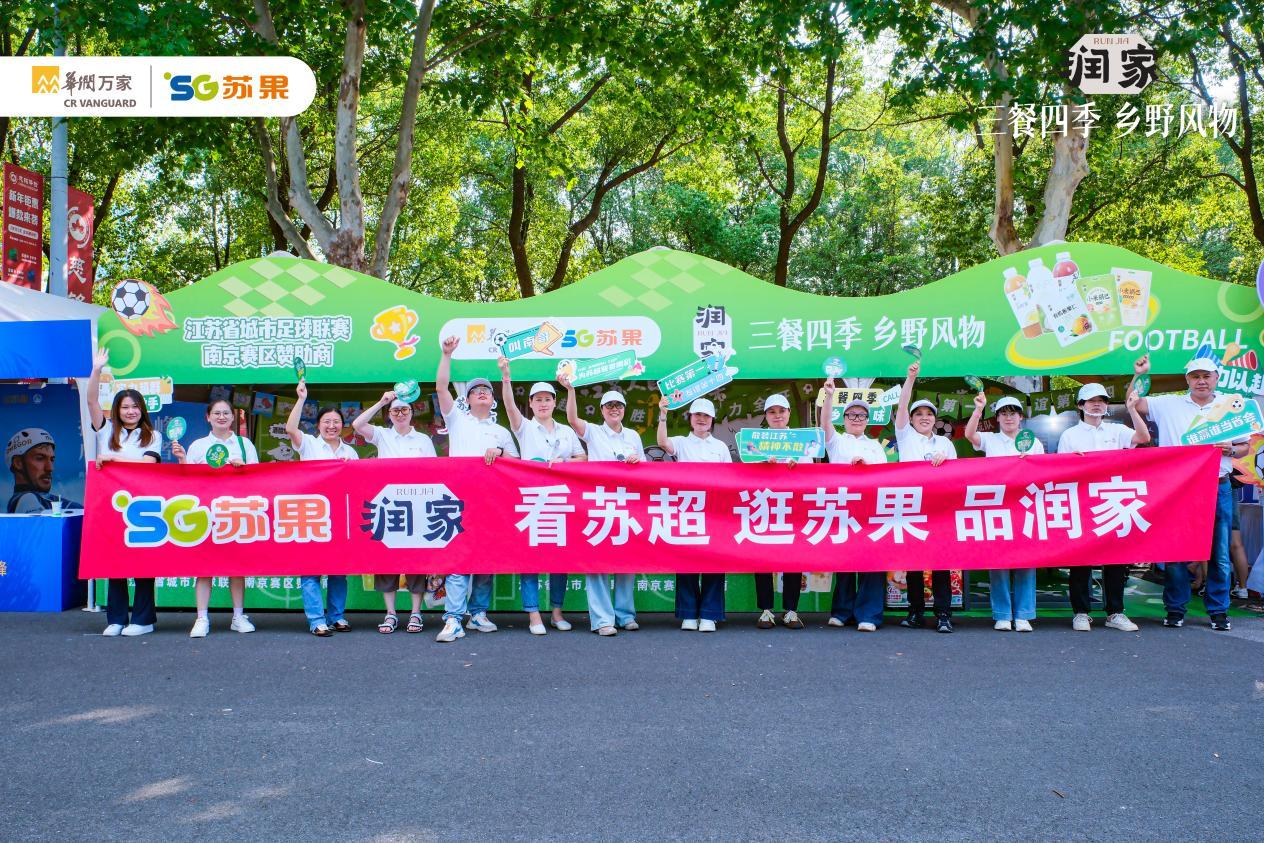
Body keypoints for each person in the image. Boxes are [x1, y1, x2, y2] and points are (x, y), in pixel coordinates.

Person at [1132, 354, 1243, 631]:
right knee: (1176, 550)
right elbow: (1134, 401)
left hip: (1217, 485)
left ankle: (1218, 611)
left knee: (1219, 552)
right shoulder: (1169, 403)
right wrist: (1139, 374)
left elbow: (1244, 447)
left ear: (1216, 378)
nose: (1201, 381)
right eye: (1195, 376)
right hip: (1178, 489)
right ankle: (1175, 609)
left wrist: (1231, 449)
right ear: (1187, 380)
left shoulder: (1231, 405)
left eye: (1206, 376)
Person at [434, 337, 519, 643]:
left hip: (492, 502)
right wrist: (446, 355)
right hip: (459, 500)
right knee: (460, 558)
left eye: (487, 391)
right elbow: (441, 388)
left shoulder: (501, 431)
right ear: (467, 400)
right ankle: (453, 618)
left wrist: (500, 451)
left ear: (493, 401)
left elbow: (517, 463)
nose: (482, 393)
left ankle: (478, 613)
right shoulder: (457, 420)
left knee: (486, 558)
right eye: (475, 391)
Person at [499, 356, 585, 634]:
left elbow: (582, 458)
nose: (543, 403)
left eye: (548, 399)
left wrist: (564, 463)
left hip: (562, 501)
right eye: (538, 400)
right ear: (532, 404)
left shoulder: (566, 431)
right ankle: (534, 614)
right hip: (531, 500)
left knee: (560, 560)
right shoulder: (524, 427)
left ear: (554, 403)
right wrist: (506, 377)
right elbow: (509, 406)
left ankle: (557, 612)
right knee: (531, 559)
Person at [1056, 382, 1150, 633]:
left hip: (1113, 500)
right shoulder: (1070, 435)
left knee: (1116, 559)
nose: (1097, 405)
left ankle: (1115, 612)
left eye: (1102, 400)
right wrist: (1073, 464)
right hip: (1082, 502)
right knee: (1080, 559)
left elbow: (1143, 438)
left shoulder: (1117, 430)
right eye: (1091, 400)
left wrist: (1132, 410)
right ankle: (1081, 612)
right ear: (1081, 405)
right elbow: (1060, 471)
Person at [85, 348, 163, 637]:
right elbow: (91, 400)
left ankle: (143, 620)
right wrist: (96, 370)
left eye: (135, 407)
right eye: (125, 407)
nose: (131, 411)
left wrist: (113, 459)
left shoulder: (152, 435)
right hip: (110, 504)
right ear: (117, 410)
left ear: (142, 410)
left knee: (143, 563)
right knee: (113, 560)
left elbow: (149, 464)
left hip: (142, 506)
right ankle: (116, 618)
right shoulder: (105, 431)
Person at [561, 373, 644, 636]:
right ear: (602, 410)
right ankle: (602, 620)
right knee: (597, 562)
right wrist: (570, 390)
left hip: (628, 504)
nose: (614, 409)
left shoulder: (633, 436)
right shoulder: (594, 432)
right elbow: (572, 419)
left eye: (618, 405)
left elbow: (646, 471)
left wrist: (637, 462)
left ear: (624, 410)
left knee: (626, 562)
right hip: (598, 503)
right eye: (609, 406)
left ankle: (625, 615)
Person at [171, 398, 260, 637]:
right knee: (204, 567)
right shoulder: (198, 446)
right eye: (217, 413)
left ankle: (238, 616)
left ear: (233, 417)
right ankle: (202, 618)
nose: (222, 417)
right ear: (208, 417)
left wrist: (243, 468)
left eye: (226, 413)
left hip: (235, 511)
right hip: (205, 513)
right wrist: (182, 459)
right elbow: (187, 481)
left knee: (237, 567)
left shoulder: (244, 444)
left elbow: (258, 478)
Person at [352, 390, 438, 635]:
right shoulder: (382, 435)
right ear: (389, 414)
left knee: (415, 560)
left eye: (404, 410)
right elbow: (357, 425)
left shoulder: (423, 439)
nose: (400, 414)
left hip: (416, 507)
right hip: (388, 506)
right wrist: (382, 401)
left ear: (412, 413)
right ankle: (390, 613)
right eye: (395, 411)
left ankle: (415, 613)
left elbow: (433, 472)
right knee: (386, 558)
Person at [964, 392, 1044, 632]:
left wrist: (1030, 463)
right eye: (1004, 413)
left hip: (1026, 507)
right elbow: (970, 435)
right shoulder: (991, 439)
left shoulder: (1034, 442)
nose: (1009, 418)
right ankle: (1002, 614)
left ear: (1021, 417)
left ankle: (1023, 615)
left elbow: (1044, 473)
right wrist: (978, 409)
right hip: (997, 508)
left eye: (1013, 413)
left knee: (1026, 561)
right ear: (997, 418)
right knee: (998, 561)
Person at [285, 380, 358, 637]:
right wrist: (301, 399)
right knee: (311, 571)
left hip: (340, 517)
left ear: (342, 425)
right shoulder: (308, 444)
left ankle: (336, 616)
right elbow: (290, 428)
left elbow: (357, 485)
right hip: (311, 516)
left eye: (336, 421)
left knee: (339, 572)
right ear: (318, 425)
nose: (331, 425)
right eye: (326, 421)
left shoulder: (350, 452)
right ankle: (316, 620)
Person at [892, 361, 957, 633]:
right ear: (911, 418)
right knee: (914, 563)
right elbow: (902, 406)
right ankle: (916, 612)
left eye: (929, 414)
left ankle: (943, 614)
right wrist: (910, 379)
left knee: (941, 563)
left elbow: (958, 477)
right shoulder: (905, 436)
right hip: (911, 508)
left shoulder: (945, 443)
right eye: (918, 413)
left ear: (935, 419)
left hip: (939, 510)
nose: (924, 417)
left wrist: (946, 462)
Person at [820, 378, 888, 632]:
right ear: (844, 418)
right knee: (845, 560)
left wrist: (866, 467)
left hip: (871, 511)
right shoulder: (837, 441)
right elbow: (825, 424)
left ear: (868, 420)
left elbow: (886, 478)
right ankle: (842, 612)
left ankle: (869, 615)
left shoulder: (875, 447)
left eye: (861, 415)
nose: (856, 419)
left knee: (872, 562)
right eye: (851, 415)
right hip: (843, 509)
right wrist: (829, 396)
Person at [658, 395, 730, 632]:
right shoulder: (681, 442)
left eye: (706, 416)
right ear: (690, 418)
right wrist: (663, 414)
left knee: (714, 562)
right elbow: (662, 442)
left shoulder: (720, 447)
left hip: (714, 513)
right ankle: (688, 614)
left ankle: (709, 615)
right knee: (687, 561)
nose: (701, 419)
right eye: (697, 415)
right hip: (687, 510)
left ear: (712, 420)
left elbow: (731, 480)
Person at [750, 393, 808, 630]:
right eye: (772, 412)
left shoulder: (801, 441)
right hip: (764, 506)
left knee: (793, 558)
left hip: (794, 508)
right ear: (765, 416)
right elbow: (745, 474)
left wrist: (798, 467)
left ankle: (791, 610)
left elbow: (812, 474)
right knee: (762, 557)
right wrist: (762, 465)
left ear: (789, 414)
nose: (777, 416)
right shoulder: (755, 442)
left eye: (781, 411)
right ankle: (766, 610)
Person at [7, 428, 81, 513]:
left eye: (52, 460)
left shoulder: (41, 499)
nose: (50, 468)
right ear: (18, 463)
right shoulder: (27, 499)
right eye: (40, 458)